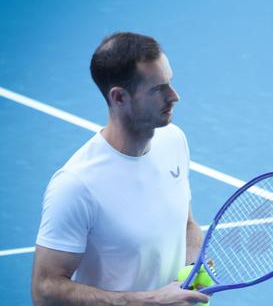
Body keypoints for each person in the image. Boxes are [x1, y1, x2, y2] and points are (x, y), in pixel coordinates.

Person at [31, 32, 210, 306]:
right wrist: (149, 301)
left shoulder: (174, 141)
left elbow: (186, 223)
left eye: (170, 83)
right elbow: (45, 290)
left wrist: (193, 264)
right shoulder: (76, 185)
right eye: (157, 89)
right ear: (119, 98)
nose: (174, 96)